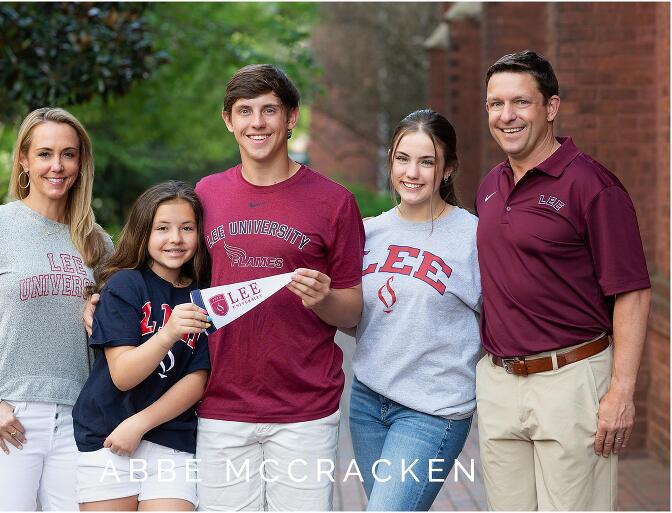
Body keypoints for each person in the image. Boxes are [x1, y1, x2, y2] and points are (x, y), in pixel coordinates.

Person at [86, 64, 365, 510]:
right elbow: (169, 272)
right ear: (228, 120)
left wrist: (324, 299)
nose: (257, 123)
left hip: (305, 408)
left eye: (269, 110)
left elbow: (352, 313)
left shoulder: (335, 202)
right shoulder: (206, 194)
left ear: (291, 117)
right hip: (220, 404)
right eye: (245, 111)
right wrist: (102, 302)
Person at [475, 50, 652, 510]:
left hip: (571, 380)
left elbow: (631, 292)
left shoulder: (593, 186)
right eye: (495, 104)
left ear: (551, 107)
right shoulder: (490, 185)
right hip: (500, 381)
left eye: (521, 103)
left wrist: (621, 392)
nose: (506, 116)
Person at [0, 107, 111, 510]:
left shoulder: (98, 244)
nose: (57, 165)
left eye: (68, 154)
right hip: (7, 417)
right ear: (24, 159)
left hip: (77, 421)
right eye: (45, 153)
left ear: (81, 162)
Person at [348, 109, 482, 511]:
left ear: (448, 170)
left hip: (432, 411)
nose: (413, 172)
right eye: (403, 158)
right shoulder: (369, 232)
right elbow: (353, 315)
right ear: (390, 160)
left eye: (428, 162)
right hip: (367, 402)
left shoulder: (474, 236)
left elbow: (503, 319)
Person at [73, 181, 211, 511]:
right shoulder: (125, 285)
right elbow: (122, 375)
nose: (175, 239)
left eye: (187, 228)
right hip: (107, 435)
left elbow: (197, 378)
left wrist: (140, 424)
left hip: (170, 439)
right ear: (143, 232)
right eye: (162, 228)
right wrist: (168, 333)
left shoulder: (203, 295)